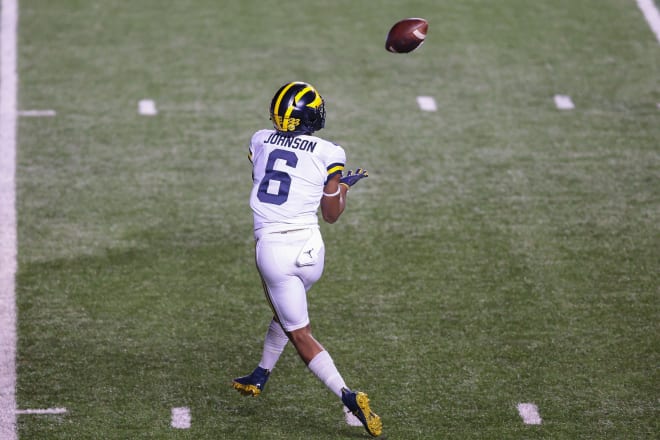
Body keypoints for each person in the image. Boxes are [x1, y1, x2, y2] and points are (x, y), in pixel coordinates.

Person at [232, 81, 382, 437]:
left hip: (274, 250)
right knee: (286, 313)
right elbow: (331, 213)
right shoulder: (330, 151)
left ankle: (348, 394)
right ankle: (260, 374)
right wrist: (341, 185)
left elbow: (265, 177)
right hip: (311, 250)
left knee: (300, 333)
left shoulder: (258, 139)